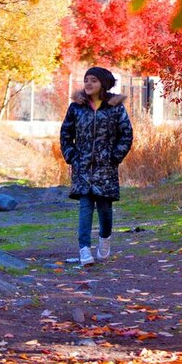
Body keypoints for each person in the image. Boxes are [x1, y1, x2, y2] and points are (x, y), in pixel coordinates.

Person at [59, 66, 134, 266]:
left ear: (103, 83)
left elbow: (126, 135)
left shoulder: (116, 108)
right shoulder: (76, 108)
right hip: (82, 167)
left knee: (104, 209)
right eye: (86, 80)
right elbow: (66, 134)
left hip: (106, 168)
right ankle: (84, 249)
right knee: (85, 207)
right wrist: (71, 155)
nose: (89, 84)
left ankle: (105, 239)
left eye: (93, 80)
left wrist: (115, 156)